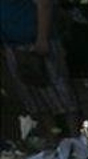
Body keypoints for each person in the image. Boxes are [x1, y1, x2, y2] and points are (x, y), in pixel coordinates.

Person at [1, 0, 79, 136]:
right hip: (13, 47)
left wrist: (42, 38)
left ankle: (76, 135)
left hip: (38, 42)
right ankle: (53, 136)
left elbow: (44, 4)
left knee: (59, 91)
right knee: (33, 97)